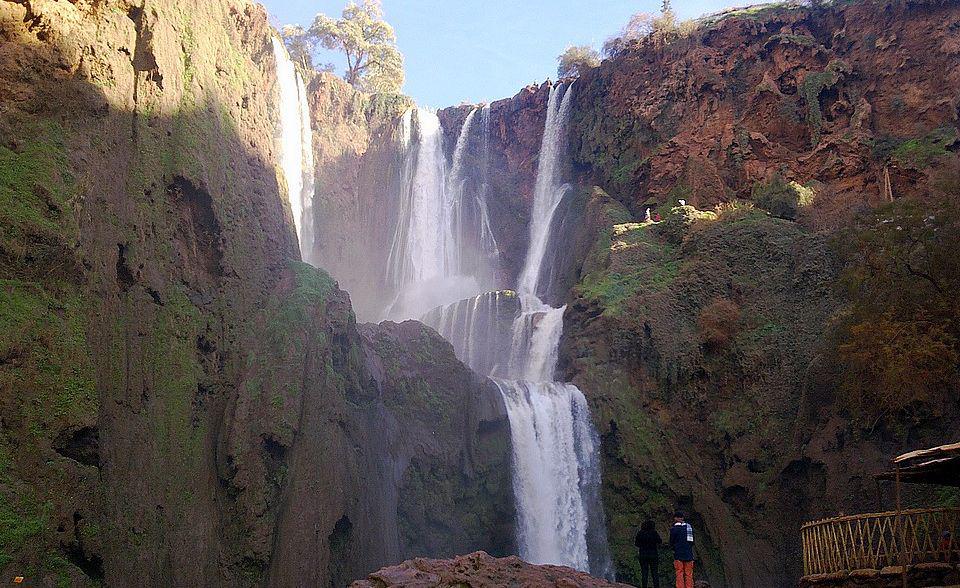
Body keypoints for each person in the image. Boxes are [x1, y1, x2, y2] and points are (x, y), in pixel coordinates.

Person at [669, 510, 694, 588]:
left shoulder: (674, 529)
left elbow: (671, 542)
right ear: (683, 518)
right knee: (688, 574)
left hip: (678, 554)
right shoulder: (689, 527)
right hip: (688, 553)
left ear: (675, 518)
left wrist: (674, 548)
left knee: (679, 572)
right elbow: (692, 541)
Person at [634, 518, 661, 588]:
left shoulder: (640, 533)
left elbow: (636, 543)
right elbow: (660, 541)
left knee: (644, 573)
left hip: (643, 555)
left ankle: (644, 586)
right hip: (653, 554)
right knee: (655, 572)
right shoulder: (654, 533)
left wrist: (642, 545)